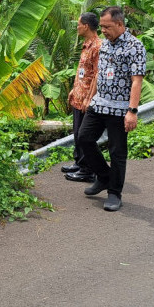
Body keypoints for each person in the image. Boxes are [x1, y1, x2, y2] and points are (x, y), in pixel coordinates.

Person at [78, 6, 146, 211]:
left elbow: (137, 81)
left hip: (119, 109)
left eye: (107, 26)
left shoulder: (135, 46)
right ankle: (104, 176)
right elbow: (100, 73)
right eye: (102, 26)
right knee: (83, 138)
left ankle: (115, 193)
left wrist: (132, 111)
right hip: (100, 103)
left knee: (117, 152)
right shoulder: (105, 45)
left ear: (119, 24)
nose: (103, 30)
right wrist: (91, 98)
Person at [61, 12, 102, 183]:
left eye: (78, 24)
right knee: (77, 132)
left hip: (86, 99)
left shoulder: (97, 46)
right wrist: (74, 89)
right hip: (78, 96)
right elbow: (83, 72)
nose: (77, 27)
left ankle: (88, 170)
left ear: (85, 26)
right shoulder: (86, 44)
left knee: (84, 134)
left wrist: (89, 98)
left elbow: (97, 75)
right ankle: (79, 162)